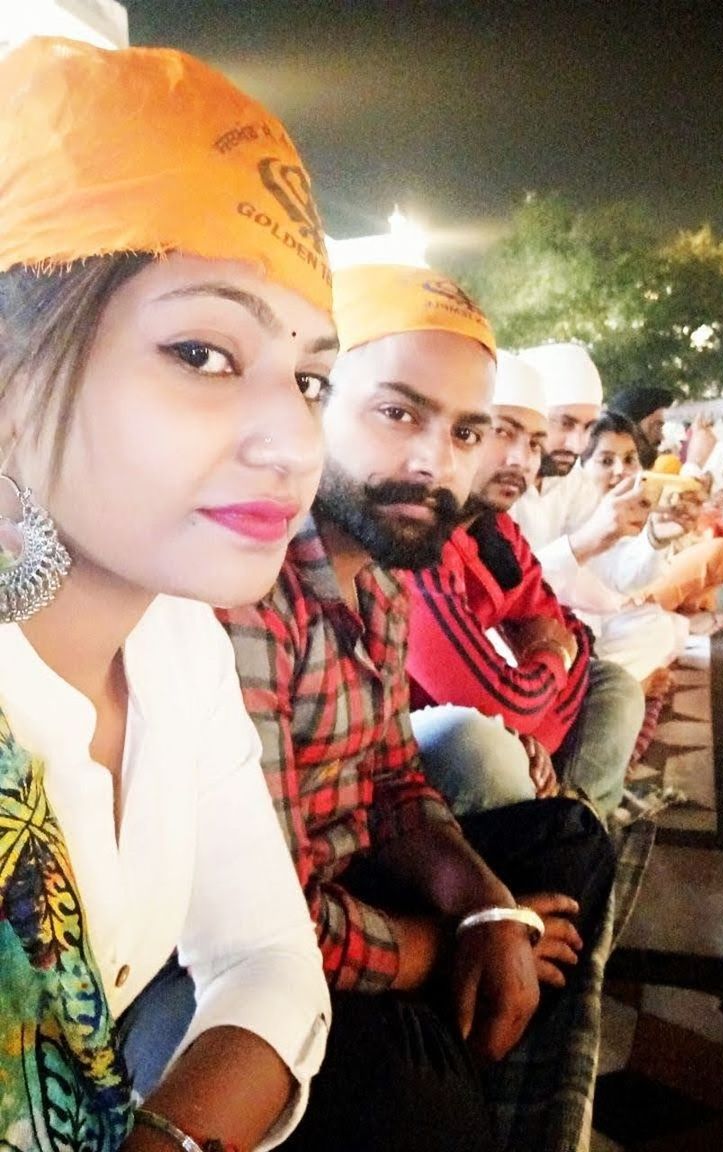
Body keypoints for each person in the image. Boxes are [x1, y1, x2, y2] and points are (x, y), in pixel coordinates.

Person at [0, 38, 335, 1152]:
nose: (296, 442)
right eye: (200, 351)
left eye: (311, 378)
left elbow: (271, 961)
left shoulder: (177, 642)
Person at [220, 266, 616, 1152]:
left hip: (353, 882)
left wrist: (480, 902)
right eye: (397, 413)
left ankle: (470, 1039)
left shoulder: (386, 575)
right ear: (308, 402)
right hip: (261, 947)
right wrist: (440, 946)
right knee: (405, 1091)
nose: (436, 462)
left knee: (568, 848)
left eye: (467, 430)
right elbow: (262, 918)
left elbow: (392, 774)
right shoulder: (247, 588)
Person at [408, 351, 643, 819]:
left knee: (616, 685)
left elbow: (567, 628)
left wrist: (529, 716)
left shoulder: (496, 531)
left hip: (515, 702)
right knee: (479, 744)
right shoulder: (417, 537)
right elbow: (498, 700)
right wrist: (548, 663)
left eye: (535, 442)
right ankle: (561, 837)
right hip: (427, 735)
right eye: (503, 432)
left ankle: (577, 823)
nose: (523, 459)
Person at [509, 345, 653, 601]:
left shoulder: (573, 482)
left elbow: (616, 575)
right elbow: (503, 591)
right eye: (565, 424)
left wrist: (658, 537)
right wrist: (585, 541)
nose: (578, 444)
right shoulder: (496, 484)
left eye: (588, 427)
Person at [578, 413, 723, 635]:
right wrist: (694, 464)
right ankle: (677, 622)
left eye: (629, 460)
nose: (620, 471)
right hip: (612, 614)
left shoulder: (640, 487)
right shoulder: (576, 510)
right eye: (606, 461)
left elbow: (628, 573)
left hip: (634, 600)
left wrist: (657, 539)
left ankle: (675, 620)